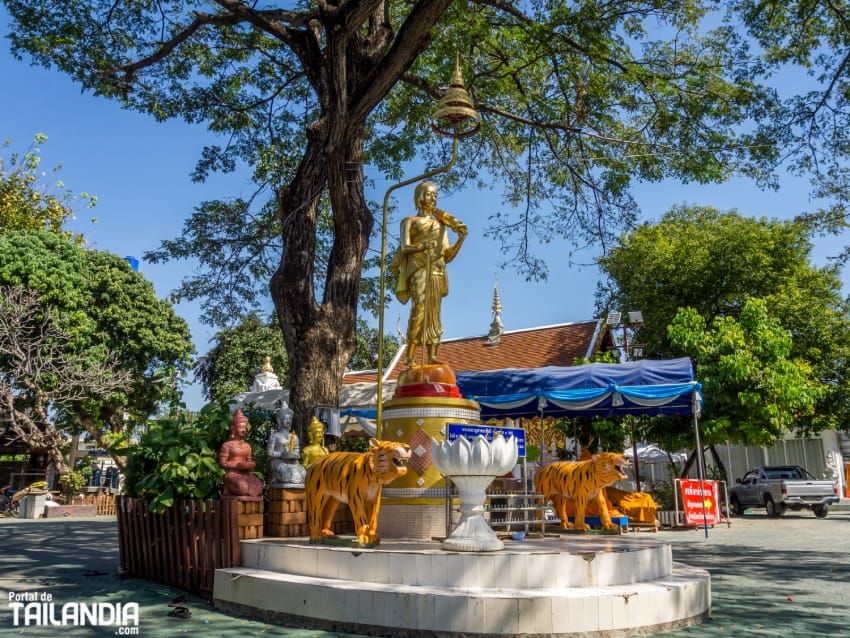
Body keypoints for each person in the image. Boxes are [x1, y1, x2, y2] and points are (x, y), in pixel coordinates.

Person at [391, 181, 467, 367]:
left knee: (434, 313)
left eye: (435, 195)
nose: (433, 198)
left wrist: (461, 238)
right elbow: (405, 246)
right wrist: (423, 246)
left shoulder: (441, 226)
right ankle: (409, 356)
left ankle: (432, 354)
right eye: (429, 194)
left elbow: (447, 255)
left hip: (437, 270)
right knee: (420, 307)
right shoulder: (410, 221)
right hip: (418, 269)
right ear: (418, 198)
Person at [219, 409, 264, 497]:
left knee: (258, 487)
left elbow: (248, 461)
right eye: (240, 427)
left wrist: (249, 465)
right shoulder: (227, 445)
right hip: (232, 474)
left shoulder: (247, 446)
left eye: (244, 428)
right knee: (242, 488)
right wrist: (237, 465)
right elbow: (223, 463)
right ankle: (228, 488)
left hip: (245, 474)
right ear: (233, 428)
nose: (243, 430)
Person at [267, 402, 306, 487]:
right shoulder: (275, 436)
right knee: (286, 476)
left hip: (293, 462)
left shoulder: (294, 437)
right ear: (279, 421)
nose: (288, 421)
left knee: (304, 475)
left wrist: (293, 455)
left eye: (290, 419)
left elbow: (297, 453)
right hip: (279, 462)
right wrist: (281, 454)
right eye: (286, 419)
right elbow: (269, 453)